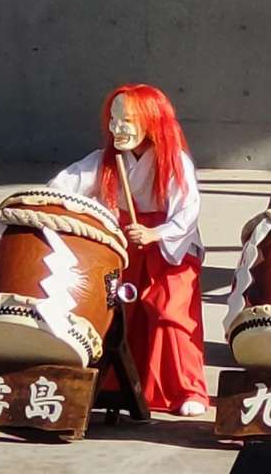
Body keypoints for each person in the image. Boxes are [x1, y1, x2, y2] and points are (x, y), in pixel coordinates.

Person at [49, 84, 209, 417]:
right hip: (125, 244)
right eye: (113, 120)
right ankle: (118, 384)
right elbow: (61, 188)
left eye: (127, 121)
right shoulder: (103, 161)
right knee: (120, 315)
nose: (117, 128)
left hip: (169, 247)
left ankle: (186, 388)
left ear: (151, 122)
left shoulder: (174, 161)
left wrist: (154, 233)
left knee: (170, 314)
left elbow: (187, 212)